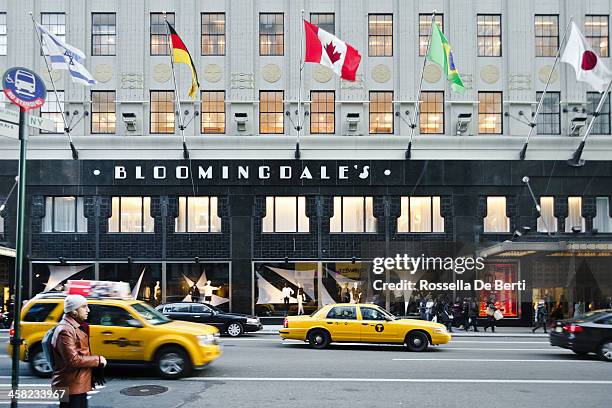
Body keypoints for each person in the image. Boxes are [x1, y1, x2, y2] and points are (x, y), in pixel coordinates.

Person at [52, 295, 107, 408]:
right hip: (71, 386)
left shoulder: (74, 326)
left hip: (76, 384)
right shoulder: (66, 330)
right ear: (74, 311)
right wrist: (98, 360)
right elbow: (73, 360)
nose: (88, 310)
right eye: (84, 307)